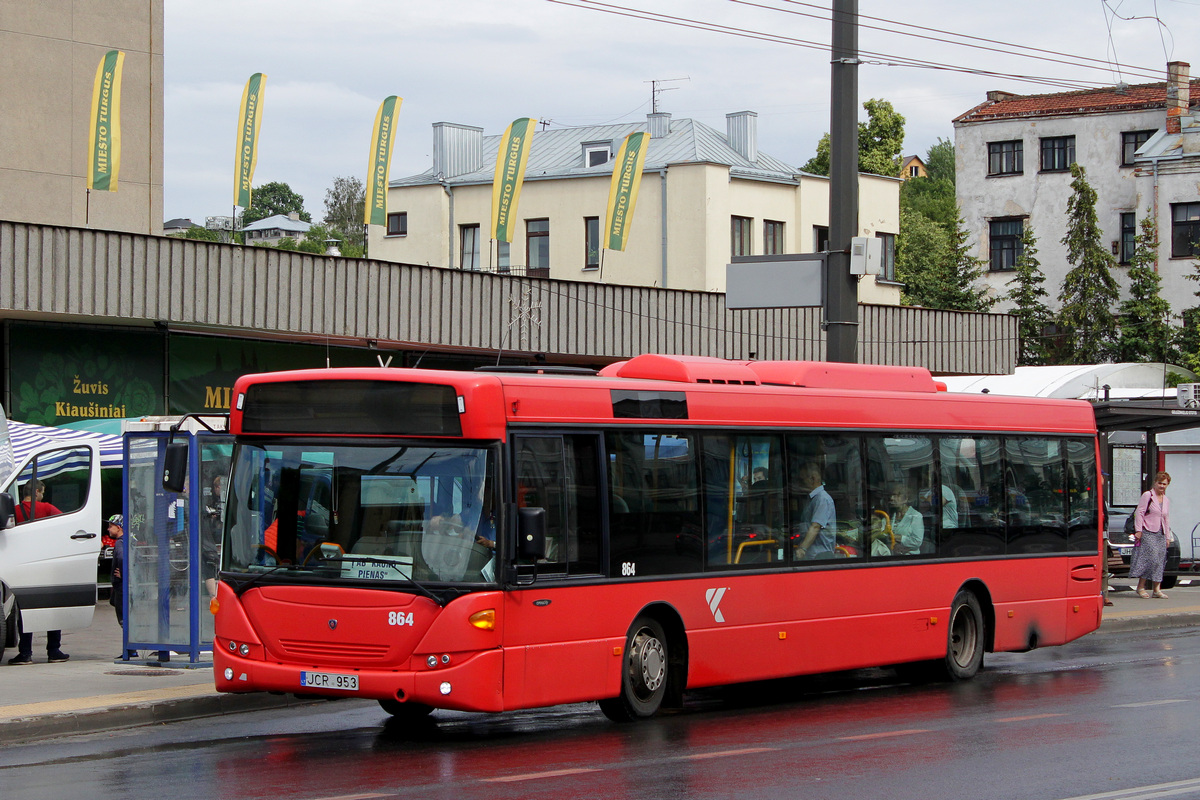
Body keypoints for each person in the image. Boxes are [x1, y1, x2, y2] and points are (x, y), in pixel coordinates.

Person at [8, 479, 69, 665]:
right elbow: (65, 524)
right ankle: (53, 650)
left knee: (25, 611)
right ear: (36, 493)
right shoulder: (48, 508)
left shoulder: (16, 511)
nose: (43, 495)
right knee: (52, 608)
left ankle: (25, 653)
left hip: (24, 565)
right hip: (47, 563)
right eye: (42, 492)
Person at [1130, 471, 1172, 599]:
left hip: (1161, 532)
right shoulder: (1147, 495)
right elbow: (1140, 513)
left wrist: (1168, 536)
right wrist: (1138, 530)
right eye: (1160, 483)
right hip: (1148, 530)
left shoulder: (1166, 500)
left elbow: (1166, 518)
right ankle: (1141, 587)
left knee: (1159, 560)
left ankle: (1157, 589)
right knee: (1150, 558)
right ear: (1155, 483)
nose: (1162, 486)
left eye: (1164, 484)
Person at [107, 515, 138, 660]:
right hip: (129, 585)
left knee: (123, 618)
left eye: (110, 526)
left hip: (121, 587)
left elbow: (121, 558)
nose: (108, 529)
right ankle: (132, 648)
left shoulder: (119, 543)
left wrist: (123, 574)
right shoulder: (130, 540)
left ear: (119, 527)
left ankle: (130, 649)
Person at [792, 461, 835, 560]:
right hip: (812, 554)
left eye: (802, 480)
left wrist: (802, 548)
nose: (800, 483)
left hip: (819, 556)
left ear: (813, 478)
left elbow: (815, 526)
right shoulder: (812, 498)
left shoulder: (822, 499)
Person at [878, 482, 924, 556]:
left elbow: (917, 541)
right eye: (891, 495)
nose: (892, 498)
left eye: (897, 495)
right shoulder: (889, 515)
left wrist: (896, 537)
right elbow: (882, 533)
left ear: (906, 498)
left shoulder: (916, 516)